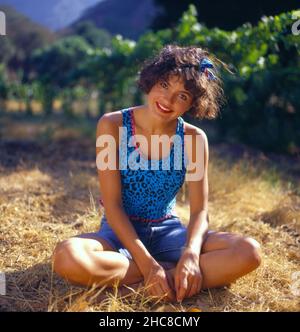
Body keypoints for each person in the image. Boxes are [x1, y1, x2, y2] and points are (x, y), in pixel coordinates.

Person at [52, 44, 262, 303]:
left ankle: (156, 277)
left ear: (193, 104)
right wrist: (149, 265)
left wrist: (191, 255)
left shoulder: (194, 140)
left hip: (169, 232)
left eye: (182, 96)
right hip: (118, 234)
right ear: (151, 80)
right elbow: (113, 205)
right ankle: (167, 278)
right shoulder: (112, 125)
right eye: (164, 85)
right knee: (66, 256)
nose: (168, 100)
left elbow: (199, 212)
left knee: (248, 251)